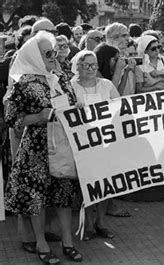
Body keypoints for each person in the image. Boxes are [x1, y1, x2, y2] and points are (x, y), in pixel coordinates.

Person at [5, 31, 82, 264]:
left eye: (54, 52)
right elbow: (11, 117)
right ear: (34, 55)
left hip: (62, 146)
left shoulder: (61, 77)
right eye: (47, 53)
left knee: (64, 195)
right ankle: (41, 243)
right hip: (36, 149)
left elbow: (69, 102)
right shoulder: (24, 82)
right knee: (36, 198)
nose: (53, 56)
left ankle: (68, 241)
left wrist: (77, 106)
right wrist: (37, 116)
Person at [70, 50, 120, 240]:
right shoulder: (71, 87)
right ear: (78, 67)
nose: (91, 69)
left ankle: (101, 223)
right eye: (86, 65)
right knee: (87, 185)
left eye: (94, 65)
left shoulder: (106, 85)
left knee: (106, 184)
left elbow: (119, 107)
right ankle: (88, 225)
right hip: (83, 144)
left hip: (106, 141)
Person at [105, 22, 136, 96]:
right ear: (113, 37)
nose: (128, 39)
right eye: (124, 35)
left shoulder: (126, 54)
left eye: (128, 35)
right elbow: (111, 90)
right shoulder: (107, 57)